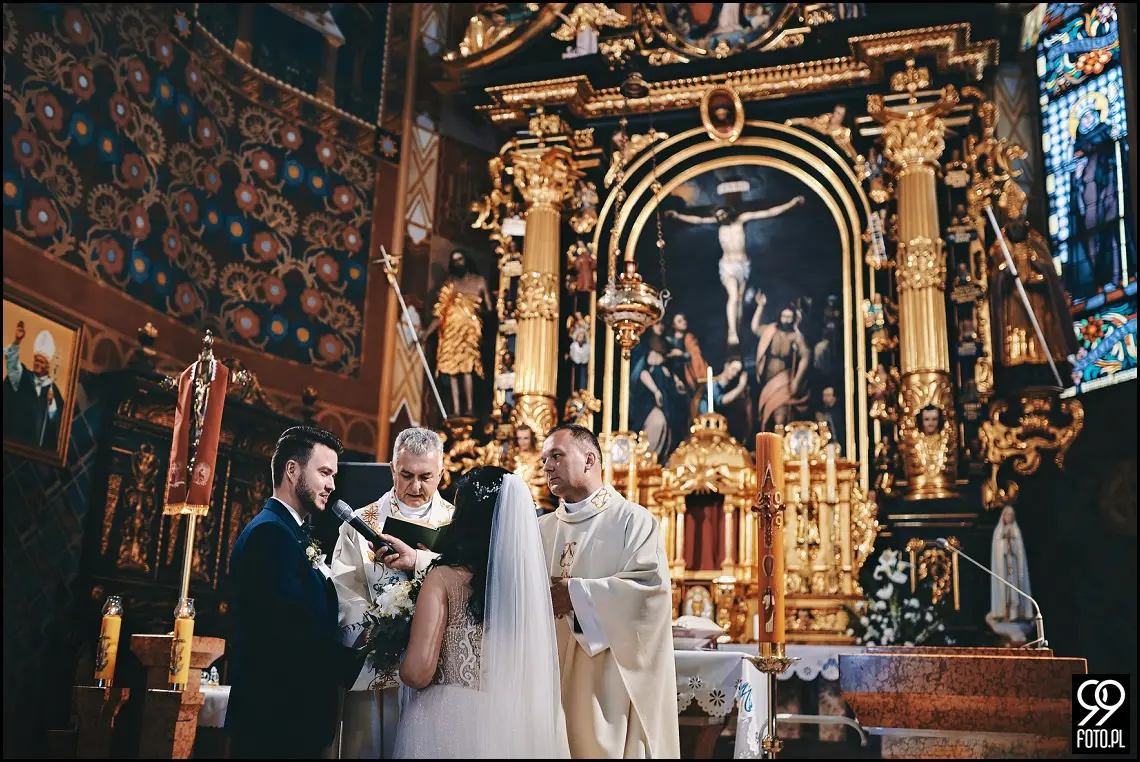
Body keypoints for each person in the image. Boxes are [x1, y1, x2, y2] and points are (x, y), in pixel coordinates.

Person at [393, 467, 569, 758]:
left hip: (450, 722)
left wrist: (399, 649)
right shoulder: (527, 587)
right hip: (515, 722)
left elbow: (417, 672)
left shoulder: (444, 578)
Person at [539, 425, 679, 758]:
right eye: (544, 459)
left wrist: (574, 594)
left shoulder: (633, 521)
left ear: (589, 460)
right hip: (545, 679)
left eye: (556, 455)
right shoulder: (540, 529)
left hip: (607, 689)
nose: (546, 467)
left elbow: (649, 594)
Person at [226, 426, 365, 759]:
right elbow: (292, 635)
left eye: (334, 474)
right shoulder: (270, 535)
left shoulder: (290, 532)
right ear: (292, 470)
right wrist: (364, 663)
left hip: (289, 721)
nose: (332, 484)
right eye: (324, 472)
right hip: (275, 724)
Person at [329, 427, 454, 758]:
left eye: (426, 477)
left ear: (442, 471)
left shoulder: (456, 526)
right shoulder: (359, 524)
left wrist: (418, 562)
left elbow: (466, 582)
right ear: (391, 469)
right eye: (406, 475)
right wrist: (375, 626)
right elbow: (344, 589)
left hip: (436, 664)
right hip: (375, 662)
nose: (415, 486)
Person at [667, 196, 805, 345]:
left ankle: (737, 330)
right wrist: (678, 216)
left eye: (722, 214)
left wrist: (791, 204)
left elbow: (768, 212)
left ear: (728, 212)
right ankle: (732, 332)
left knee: (739, 301)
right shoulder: (718, 225)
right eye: (717, 216)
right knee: (733, 297)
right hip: (728, 266)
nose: (720, 217)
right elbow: (698, 220)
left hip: (743, 266)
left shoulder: (742, 220)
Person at [420, 249, 493, 416]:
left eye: (460, 259)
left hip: (469, 332)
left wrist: (473, 310)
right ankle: (456, 409)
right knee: (451, 369)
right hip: (451, 332)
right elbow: (440, 313)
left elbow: (489, 308)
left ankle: (469, 408)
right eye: (455, 260)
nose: (458, 262)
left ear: (466, 260)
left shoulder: (479, 282)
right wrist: (427, 334)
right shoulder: (450, 285)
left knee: (467, 368)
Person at [3, 321, 65, 450]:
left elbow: (57, 423)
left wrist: (51, 403)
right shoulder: (22, 376)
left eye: (41, 362)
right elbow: (12, 365)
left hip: (37, 452)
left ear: (47, 366)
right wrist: (17, 341)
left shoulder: (53, 390)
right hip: (14, 445)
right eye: (36, 360)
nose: (37, 364)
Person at [755, 304, 810, 430]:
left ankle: (780, 443)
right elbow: (755, 328)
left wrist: (796, 380)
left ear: (793, 319)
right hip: (768, 380)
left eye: (789, 317)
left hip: (784, 379)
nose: (786, 320)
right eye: (784, 316)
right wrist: (761, 306)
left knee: (780, 412)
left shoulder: (796, 336)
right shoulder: (771, 331)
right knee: (768, 412)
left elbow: (805, 356)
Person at [986, 506, 1034, 643]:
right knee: (1005, 594)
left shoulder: (1016, 532)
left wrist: (1012, 546)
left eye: (1011, 515)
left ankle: (1016, 615)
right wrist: (1004, 548)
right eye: (1007, 515)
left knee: (1016, 593)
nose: (1009, 518)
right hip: (1003, 571)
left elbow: (1019, 551)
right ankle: (1004, 615)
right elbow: (997, 552)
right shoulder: (998, 532)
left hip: (1014, 570)